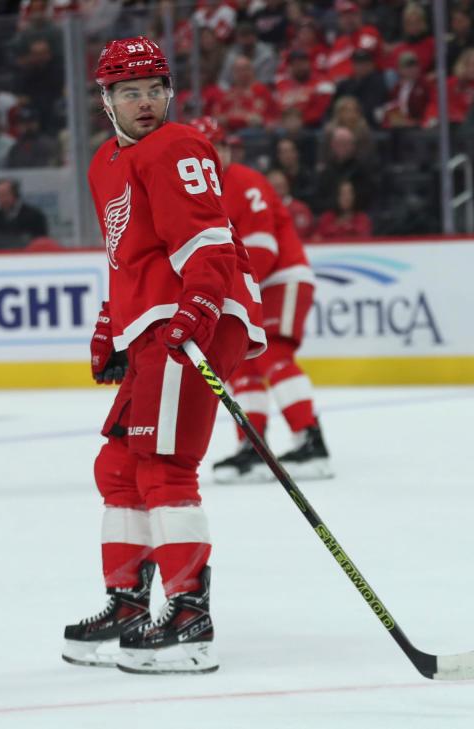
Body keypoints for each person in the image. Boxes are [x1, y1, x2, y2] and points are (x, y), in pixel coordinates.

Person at [61, 37, 265, 675]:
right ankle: (127, 602)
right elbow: (129, 257)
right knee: (118, 468)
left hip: (194, 316)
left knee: (164, 468)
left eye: (154, 88)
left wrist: (199, 308)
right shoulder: (104, 165)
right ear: (106, 100)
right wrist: (110, 325)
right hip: (155, 323)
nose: (145, 102)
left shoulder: (176, 146)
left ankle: (188, 617)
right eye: (129, 91)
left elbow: (209, 244)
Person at [190, 116, 331, 483]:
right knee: (243, 364)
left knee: (273, 354)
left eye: (215, 148)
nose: (209, 156)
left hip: (282, 278)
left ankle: (310, 440)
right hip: (246, 287)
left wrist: (225, 290)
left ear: (225, 150)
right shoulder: (194, 193)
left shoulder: (245, 183)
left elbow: (263, 249)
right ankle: (252, 447)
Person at [0, 177, 47, 250]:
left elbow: (42, 243)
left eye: (5, 195)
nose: (2, 199)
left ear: (15, 194)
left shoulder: (34, 215)